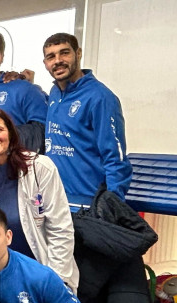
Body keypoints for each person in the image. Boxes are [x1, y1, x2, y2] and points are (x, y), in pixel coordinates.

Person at [0, 106, 78, 290]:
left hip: (44, 269)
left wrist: (56, 281)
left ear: (11, 135)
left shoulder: (40, 167)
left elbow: (60, 229)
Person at [42, 32, 132, 208]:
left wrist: (112, 206)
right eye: (51, 56)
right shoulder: (54, 93)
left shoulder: (100, 97)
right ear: (45, 63)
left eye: (64, 53)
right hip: (55, 201)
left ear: (78, 53)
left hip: (87, 204)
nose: (58, 60)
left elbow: (116, 159)